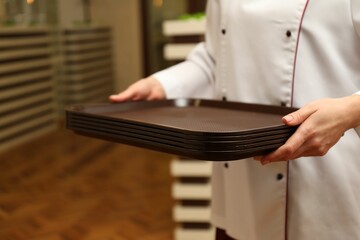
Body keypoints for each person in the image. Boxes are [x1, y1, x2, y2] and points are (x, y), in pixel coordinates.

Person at [110, 0, 360, 239]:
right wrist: (162, 85)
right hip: (242, 187)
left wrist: (349, 110)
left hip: (330, 175)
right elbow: (213, 60)